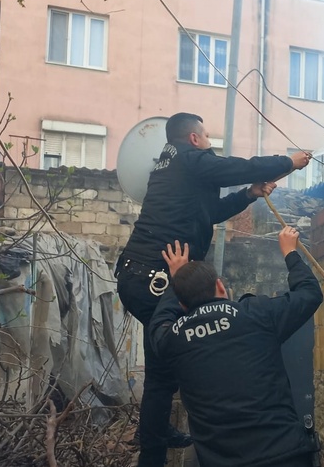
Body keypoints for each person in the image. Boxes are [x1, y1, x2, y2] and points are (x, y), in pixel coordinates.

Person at [115, 112, 311, 466]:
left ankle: (156, 436)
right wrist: (288, 162)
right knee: (164, 371)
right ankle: (157, 447)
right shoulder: (190, 159)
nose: (209, 144)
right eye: (206, 137)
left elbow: (211, 212)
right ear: (193, 139)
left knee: (163, 369)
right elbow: (236, 167)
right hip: (154, 276)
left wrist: (250, 194)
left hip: (141, 275)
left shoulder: (174, 167)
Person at [149, 228, 324, 467]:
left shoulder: (174, 338)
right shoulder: (257, 314)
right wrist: (290, 252)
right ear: (220, 286)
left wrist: (178, 280)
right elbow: (310, 294)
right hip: (286, 455)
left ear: (181, 304)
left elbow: (158, 324)